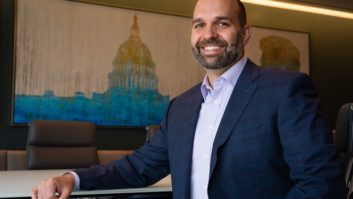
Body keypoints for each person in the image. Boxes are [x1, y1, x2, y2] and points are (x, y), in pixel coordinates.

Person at [32, 0, 347, 198]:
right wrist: (72, 178)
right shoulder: (180, 107)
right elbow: (138, 167)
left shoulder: (286, 89)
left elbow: (322, 183)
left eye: (222, 23)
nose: (209, 34)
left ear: (245, 33)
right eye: (199, 25)